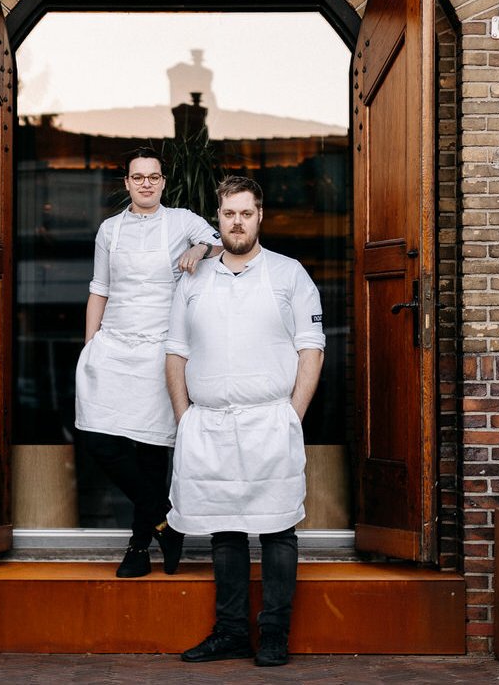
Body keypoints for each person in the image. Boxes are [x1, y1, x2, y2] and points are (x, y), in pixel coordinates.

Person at [164, 176, 325, 668]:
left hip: (270, 419)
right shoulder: (193, 278)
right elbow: (175, 352)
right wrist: (184, 417)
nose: (237, 222)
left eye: (246, 213)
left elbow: (311, 350)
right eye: (229, 214)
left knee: (278, 530)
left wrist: (291, 417)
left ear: (260, 216)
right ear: (219, 219)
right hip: (208, 423)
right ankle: (231, 631)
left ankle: (274, 633)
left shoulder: (289, 273)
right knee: (224, 531)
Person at [76, 147, 221, 578]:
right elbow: (99, 289)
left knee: (155, 451)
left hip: (162, 347)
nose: (145, 183)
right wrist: (90, 348)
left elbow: (224, 244)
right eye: (137, 177)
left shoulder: (182, 219)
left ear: (163, 181)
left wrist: (199, 249)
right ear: (126, 183)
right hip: (115, 346)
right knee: (98, 439)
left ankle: (138, 549)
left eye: (153, 177)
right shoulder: (109, 230)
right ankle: (164, 517)